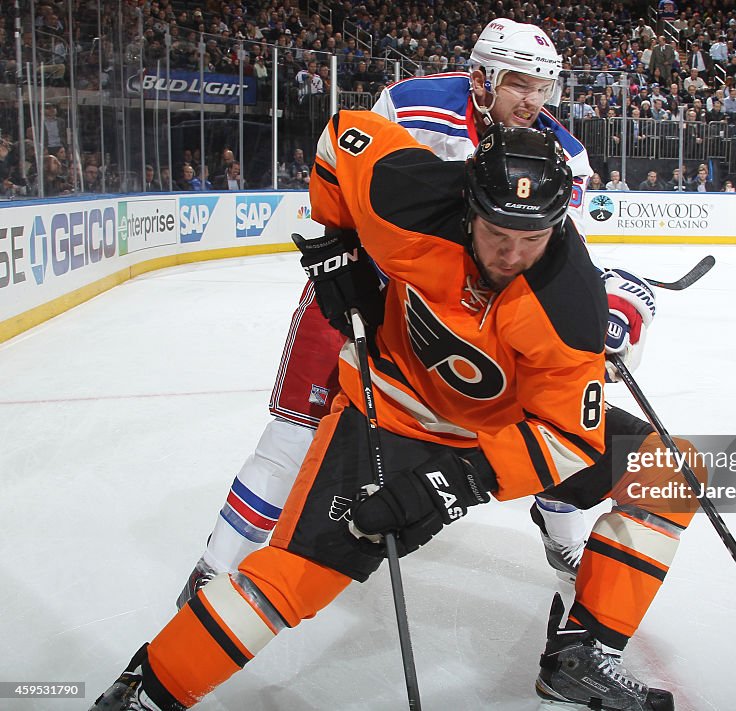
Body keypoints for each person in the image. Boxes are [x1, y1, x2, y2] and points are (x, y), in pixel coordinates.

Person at [90, 113, 702, 711]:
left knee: (674, 472)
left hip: (490, 437)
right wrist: (336, 243)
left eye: (532, 238)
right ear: (469, 206)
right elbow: (340, 138)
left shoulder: (569, 304)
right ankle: (149, 689)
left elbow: (568, 438)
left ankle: (582, 655)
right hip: (388, 408)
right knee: (294, 578)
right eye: (497, 233)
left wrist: (454, 485)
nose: (511, 254)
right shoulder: (410, 196)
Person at [173, 18, 606, 610]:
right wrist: (337, 249)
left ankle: (566, 543)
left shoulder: (563, 152)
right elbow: (352, 172)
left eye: (543, 87)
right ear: (483, 76)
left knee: (554, 432)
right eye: (520, 85)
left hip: (456, 324)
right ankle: (215, 565)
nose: (534, 101)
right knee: (294, 432)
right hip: (359, 293)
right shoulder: (414, 103)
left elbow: (549, 253)